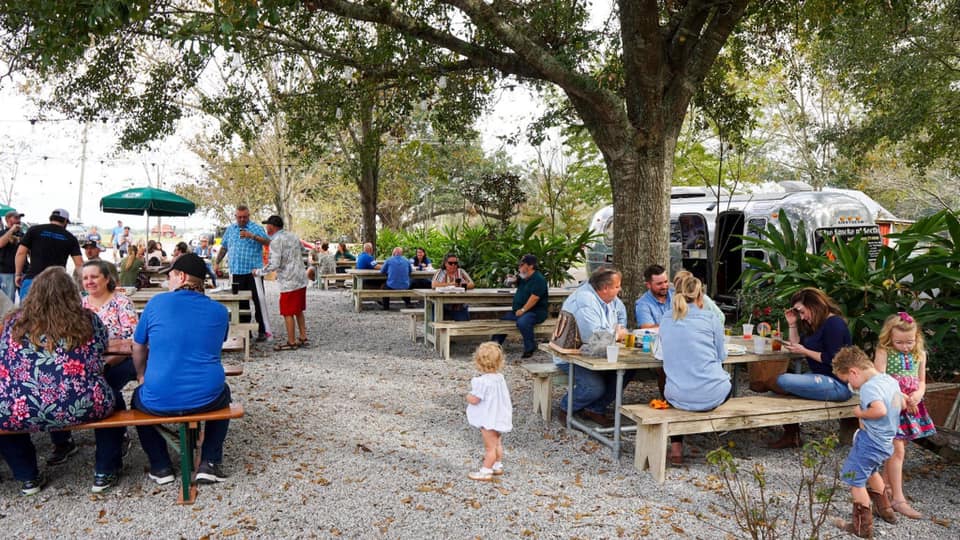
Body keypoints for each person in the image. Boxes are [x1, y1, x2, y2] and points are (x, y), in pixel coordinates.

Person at [0, 267, 115, 496]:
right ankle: (104, 470)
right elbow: (102, 349)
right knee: (116, 401)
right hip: (80, 404)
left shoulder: (13, 323)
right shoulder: (87, 319)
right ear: (72, 293)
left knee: (4, 415)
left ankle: (27, 476)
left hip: (20, 407)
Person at [131, 253, 232, 486]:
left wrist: (141, 374)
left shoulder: (156, 303)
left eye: (171, 275)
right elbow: (217, 344)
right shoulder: (219, 311)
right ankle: (210, 461)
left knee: (137, 401)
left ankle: (160, 465)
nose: (167, 279)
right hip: (207, 396)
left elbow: (138, 346)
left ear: (182, 276)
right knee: (223, 393)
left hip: (159, 397)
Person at [766, 287, 854, 449]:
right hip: (820, 376)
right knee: (779, 389)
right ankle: (792, 435)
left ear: (814, 304)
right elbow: (796, 345)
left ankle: (792, 436)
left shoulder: (834, 323)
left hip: (838, 383)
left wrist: (805, 351)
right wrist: (792, 324)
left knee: (782, 381)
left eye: (801, 311)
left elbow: (832, 359)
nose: (802, 316)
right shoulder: (816, 323)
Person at [831, 346, 903, 538]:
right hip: (886, 440)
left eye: (848, 381)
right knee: (871, 471)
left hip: (871, 441)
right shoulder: (888, 380)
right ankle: (885, 510)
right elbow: (901, 404)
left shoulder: (869, 388)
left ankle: (862, 527)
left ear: (854, 371)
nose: (852, 387)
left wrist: (860, 413)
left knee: (855, 479)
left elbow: (879, 410)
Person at [659, 274, 731, 465]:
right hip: (713, 394)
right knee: (722, 381)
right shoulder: (710, 318)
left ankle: (676, 449)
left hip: (676, 395)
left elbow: (662, 354)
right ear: (701, 297)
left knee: (675, 380)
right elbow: (721, 356)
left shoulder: (666, 319)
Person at [80, 260, 139, 492]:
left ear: (107, 278)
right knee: (105, 389)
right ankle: (117, 438)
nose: (89, 282)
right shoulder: (80, 304)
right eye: (85, 278)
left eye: (94, 277)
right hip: (92, 365)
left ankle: (107, 462)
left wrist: (104, 356)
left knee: (106, 387)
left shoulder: (121, 301)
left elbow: (132, 340)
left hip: (123, 361)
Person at [874, 312, 935, 519]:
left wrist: (917, 394)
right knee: (896, 449)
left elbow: (922, 381)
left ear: (917, 337)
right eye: (899, 342)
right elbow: (880, 378)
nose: (905, 346)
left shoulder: (920, 354)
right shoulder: (884, 351)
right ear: (889, 338)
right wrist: (901, 396)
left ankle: (882, 489)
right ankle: (898, 499)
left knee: (900, 448)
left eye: (909, 342)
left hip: (911, 406)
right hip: (892, 405)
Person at [553, 267, 628, 428]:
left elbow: (621, 314)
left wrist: (620, 327)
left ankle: (594, 408)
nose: (620, 289)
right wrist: (617, 335)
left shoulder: (610, 298)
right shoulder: (585, 301)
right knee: (594, 387)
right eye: (617, 286)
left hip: (597, 352)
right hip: (572, 354)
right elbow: (594, 337)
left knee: (627, 370)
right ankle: (566, 408)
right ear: (605, 288)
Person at [215, 205, 271, 342]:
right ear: (235, 216)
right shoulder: (230, 229)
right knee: (240, 303)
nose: (242, 219)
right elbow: (224, 247)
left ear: (249, 215)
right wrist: (217, 262)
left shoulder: (256, 228)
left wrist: (252, 236)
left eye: (244, 217)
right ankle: (246, 332)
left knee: (259, 301)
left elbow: (268, 242)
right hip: (237, 271)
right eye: (239, 217)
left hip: (254, 272)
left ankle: (263, 330)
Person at [254, 216, 309, 351]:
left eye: (267, 225)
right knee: (298, 310)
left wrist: (259, 272)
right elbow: (303, 251)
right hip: (300, 278)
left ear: (272, 226)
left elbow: (274, 264)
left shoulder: (275, 241)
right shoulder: (293, 236)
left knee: (287, 312)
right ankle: (303, 336)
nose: (266, 228)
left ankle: (291, 341)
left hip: (288, 281)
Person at [465, 342, 512, 481]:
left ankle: (485, 471)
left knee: (489, 447)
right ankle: (497, 465)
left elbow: (475, 399)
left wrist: (468, 396)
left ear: (478, 362)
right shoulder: (500, 378)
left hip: (488, 418)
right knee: (497, 443)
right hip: (498, 416)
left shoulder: (482, 382)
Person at [14, 208, 83, 300]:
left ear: (51, 218)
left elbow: (21, 253)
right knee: (53, 313)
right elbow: (79, 264)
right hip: (57, 282)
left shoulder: (34, 230)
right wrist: (84, 283)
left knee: (26, 312)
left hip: (32, 279)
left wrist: (18, 274)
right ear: (65, 221)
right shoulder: (70, 237)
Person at [492, 254, 549, 358]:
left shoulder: (539, 279)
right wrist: (512, 280)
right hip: (519, 311)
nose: (519, 267)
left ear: (531, 266)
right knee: (503, 320)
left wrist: (523, 310)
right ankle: (493, 346)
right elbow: (513, 282)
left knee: (523, 322)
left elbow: (534, 298)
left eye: (522, 264)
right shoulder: (524, 276)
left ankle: (529, 348)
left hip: (535, 311)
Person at [432, 253, 475, 321]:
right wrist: (451, 284)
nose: (453, 265)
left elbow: (472, 284)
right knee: (436, 311)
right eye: (450, 263)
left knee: (463, 326)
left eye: (455, 263)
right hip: (442, 305)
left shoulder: (461, 271)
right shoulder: (441, 272)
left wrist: (461, 285)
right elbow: (434, 285)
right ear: (445, 263)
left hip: (459, 305)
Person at [635, 264, 672, 328]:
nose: (664, 286)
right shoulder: (642, 304)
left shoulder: (676, 294)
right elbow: (648, 329)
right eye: (659, 284)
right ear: (648, 285)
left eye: (666, 282)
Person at [0, 210, 25, 303]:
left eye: (20, 218)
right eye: (16, 218)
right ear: (7, 219)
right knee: (8, 301)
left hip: (23, 271)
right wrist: (12, 230)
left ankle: (22, 317)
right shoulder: (2, 233)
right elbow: (1, 243)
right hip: (7, 272)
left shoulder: (23, 235)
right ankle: (8, 318)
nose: (19, 220)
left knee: (25, 300)